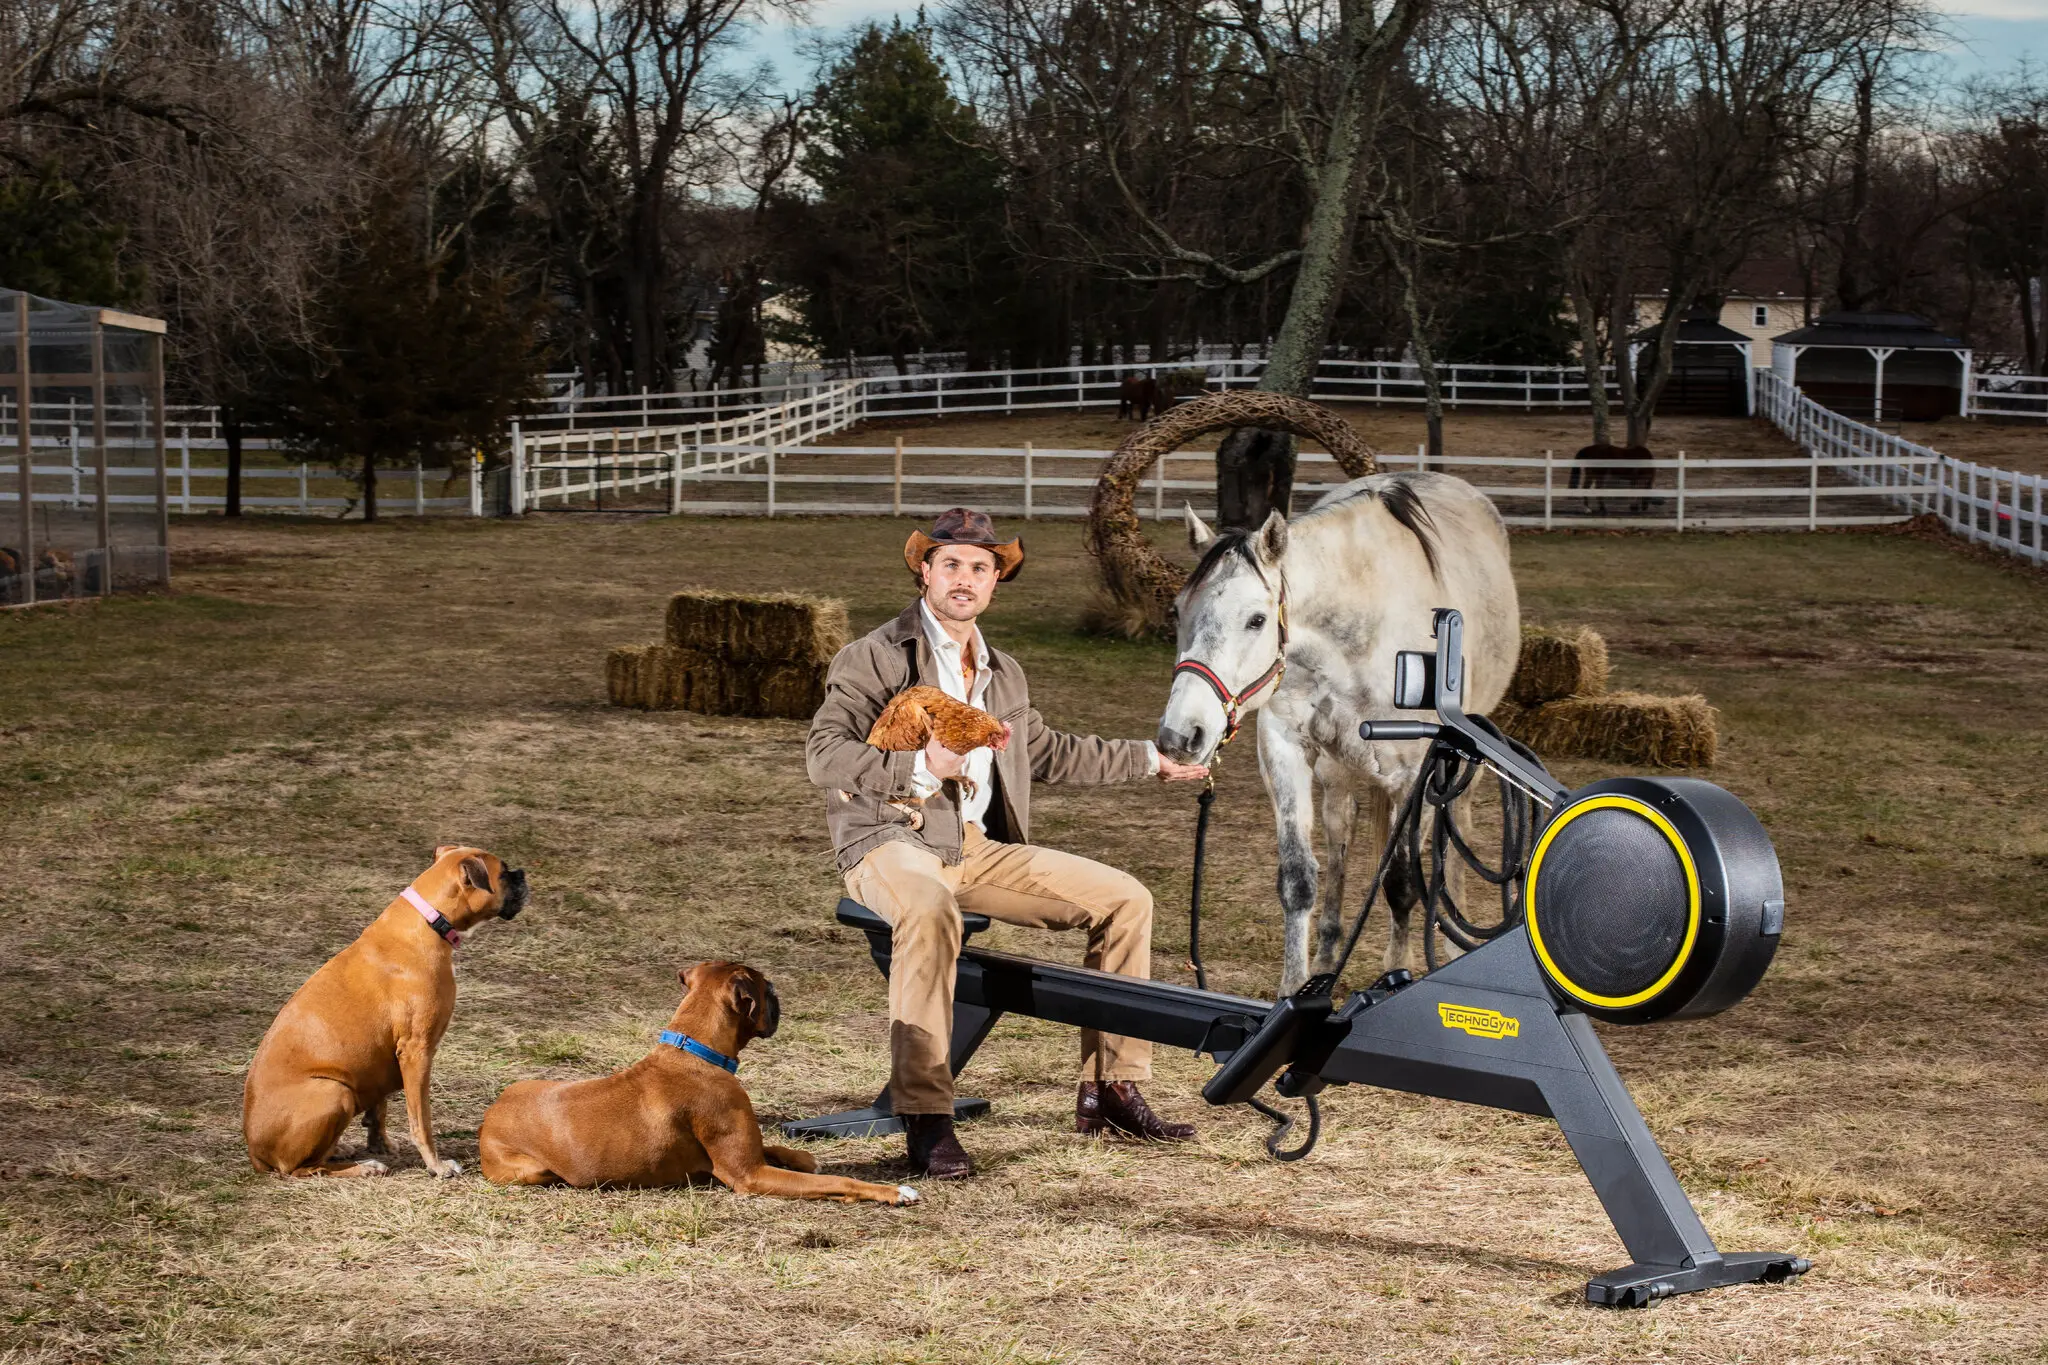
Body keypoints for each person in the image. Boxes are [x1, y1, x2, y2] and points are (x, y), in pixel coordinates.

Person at [806, 508, 1210, 1179]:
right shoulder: (875, 655)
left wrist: (1150, 759)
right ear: (925, 571)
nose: (965, 578)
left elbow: (1047, 752)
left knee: (1125, 900)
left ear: (996, 582)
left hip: (974, 845)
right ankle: (927, 1117)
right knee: (930, 908)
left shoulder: (1005, 672)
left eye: (980, 566)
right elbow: (824, 755)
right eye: (951, 563)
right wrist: (915, 769)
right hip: (890, 836)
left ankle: (1110, 1089)